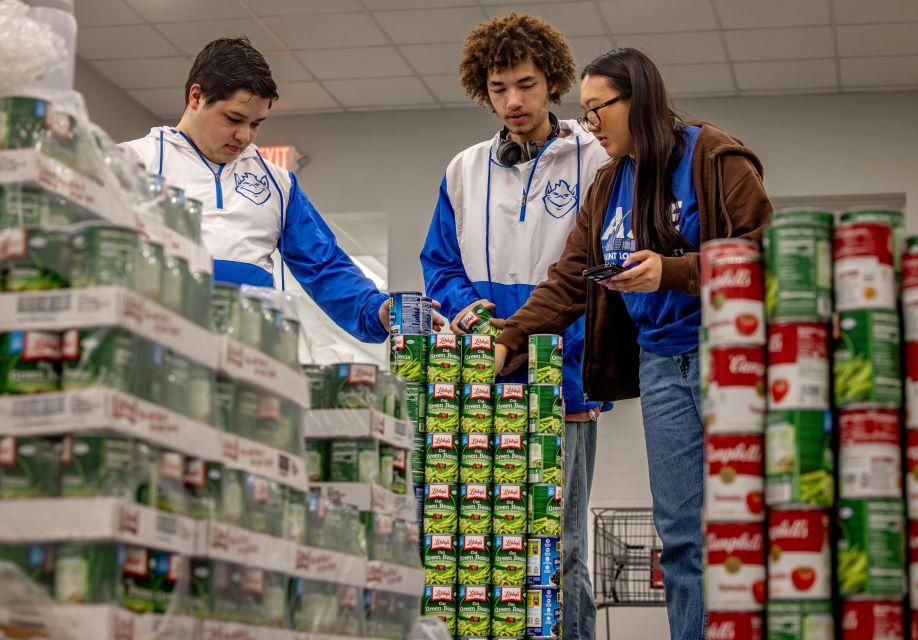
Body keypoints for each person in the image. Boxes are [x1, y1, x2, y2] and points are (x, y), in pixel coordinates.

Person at [493, 48, 773, 640]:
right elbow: (568, 280)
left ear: (638, 101)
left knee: (744, 525)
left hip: (729, 360)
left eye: (599, 110)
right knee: (678, 535)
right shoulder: (606, 185)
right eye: (586, 111)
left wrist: (671, 272)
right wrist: (511, 339)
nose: (590, 124)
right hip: (659, 368)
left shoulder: (714, 155)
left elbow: (766, 253)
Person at [419, 13, 610, 640]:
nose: (513, 101)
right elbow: (439, 265)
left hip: (567, 378)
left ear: (551, 80)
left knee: (562, 542)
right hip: (485, 376)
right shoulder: (462, 169)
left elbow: (605, 268)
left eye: (525, 84)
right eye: (499, 88)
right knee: (481, 540)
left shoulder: (597, 159)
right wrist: (472, 319)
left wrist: (544, 339)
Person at [120, 37, 440, 342]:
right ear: (196, 97)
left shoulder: (277, 182)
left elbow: (323, 264)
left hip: (250, 356)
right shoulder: (136, 161)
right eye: (234, 118)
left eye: (256, 123)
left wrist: (375, 310)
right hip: (155, 346)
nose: (245, 135)